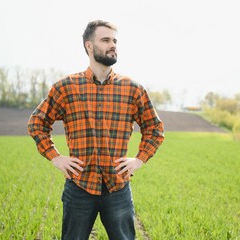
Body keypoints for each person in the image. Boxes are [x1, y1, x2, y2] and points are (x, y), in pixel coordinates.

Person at [27, 20, 164, 240]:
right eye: (106, 40)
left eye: (115, 41)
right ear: (89, 46)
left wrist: (139, 160)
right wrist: (55, 157)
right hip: (79, 187)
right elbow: (37, 123)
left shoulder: (133, 89)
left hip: (118, 188)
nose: (113, 45)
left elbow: (154, 128)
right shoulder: (66, 87)